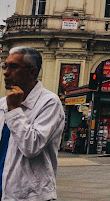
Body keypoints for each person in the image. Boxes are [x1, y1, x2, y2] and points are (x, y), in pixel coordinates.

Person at [0, 46, 65, 200]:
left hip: (31, 195)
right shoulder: (3, 103)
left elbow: (32, 147)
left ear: (32, 72)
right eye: (5, 66)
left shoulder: (49, 102)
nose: (6, 72)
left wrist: (15, 110)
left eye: (13, 67)